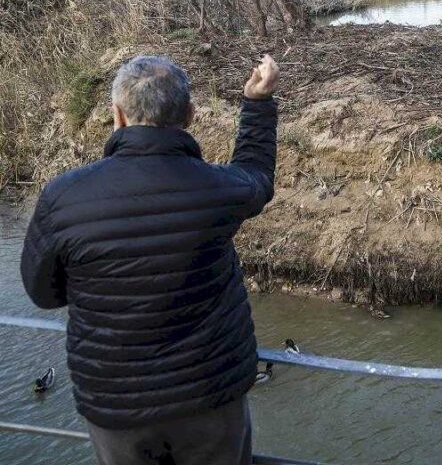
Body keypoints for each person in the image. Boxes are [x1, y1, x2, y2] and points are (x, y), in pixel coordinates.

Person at [21, 53, 279, 465]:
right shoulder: (217, 189)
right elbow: (257, 176)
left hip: (115, 405)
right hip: (209, 395)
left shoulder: (63, 196)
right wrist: (258, 102)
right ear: (191, 115)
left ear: (118, 116)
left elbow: (44, 294)